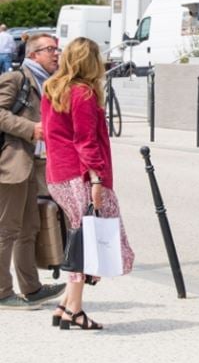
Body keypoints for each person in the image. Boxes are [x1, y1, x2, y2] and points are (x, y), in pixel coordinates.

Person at [42, 37, 134, 330]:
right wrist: (95, 178)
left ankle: (65, 305)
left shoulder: (53, 89)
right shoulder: (82, 93)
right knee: (86, 242)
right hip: (81, 176)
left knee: (79, 237)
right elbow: (86, 141)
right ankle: (75, 311)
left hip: (58, 173)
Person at [0, 33, 66, 309]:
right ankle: (3, 292)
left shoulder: (49, 82)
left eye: (57, 49)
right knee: (7, 229)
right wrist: (30, 129)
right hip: (10, 163)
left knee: (29, 228)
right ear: (32, 54)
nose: (56, 54)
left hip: (33, 167)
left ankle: (31, 287)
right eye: (49, 49)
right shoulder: (17, 79)